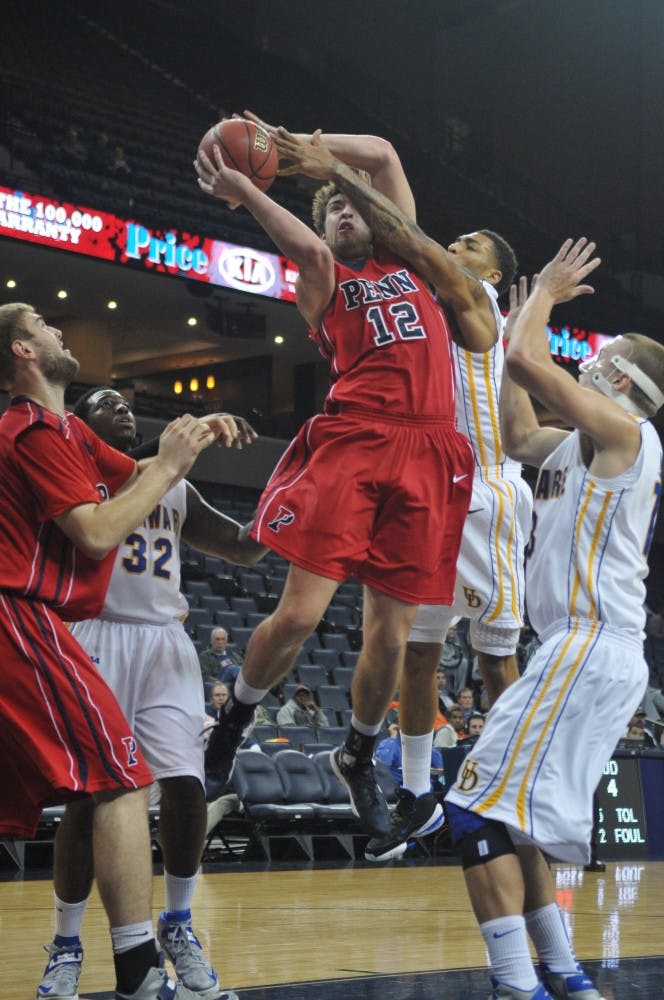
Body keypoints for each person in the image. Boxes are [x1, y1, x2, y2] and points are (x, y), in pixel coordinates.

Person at [196, 118, 496, 838]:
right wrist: (248, 185)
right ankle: (236, 717)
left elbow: (386, 154)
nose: (344, 212)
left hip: (431, 451)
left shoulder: (410, 258)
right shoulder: (327, 277)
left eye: (353, 204)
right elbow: (303, 244)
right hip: (355, 440)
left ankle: (357, 753)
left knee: (390, 638)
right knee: (300, 616)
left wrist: (302, 146)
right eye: (332, 208)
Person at [445, 238, 664, 999]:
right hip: (587, 652)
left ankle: (518, 984)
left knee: (470, 808)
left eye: (602, 357)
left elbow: (525, 364)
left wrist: (541, 298)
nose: (591, 361)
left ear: (619, 378)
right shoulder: (583, 444)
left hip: (588, 646)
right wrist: (513, 328)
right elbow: (514, 435)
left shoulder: (626, 434)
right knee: (512, 820)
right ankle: (566, 977)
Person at [0, 304, 230, 1000]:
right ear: (23, 351)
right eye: (43, 325)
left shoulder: (69, 433)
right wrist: (173, 466)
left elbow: (141, 472)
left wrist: (197, 438)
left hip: (59, 623)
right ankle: (127, 969)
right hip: (25, 615)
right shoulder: (31, 432)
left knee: (122, 782)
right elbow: (99, 533)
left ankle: (142, 961)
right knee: (115, 783)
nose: (58, 329)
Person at [34, 384, 264, 1000]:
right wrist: (184, 441)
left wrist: (303, 494)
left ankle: (179, 923)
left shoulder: (174, 484)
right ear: (79, 424)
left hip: (164, 641)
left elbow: (245, 547)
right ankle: (65, 944)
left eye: (127, 404)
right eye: (106, 403)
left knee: (187, 788)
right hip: (94, 635)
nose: (123, 410)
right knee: (91, 802)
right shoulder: (73, 475)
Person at [339, 193, 528, 863]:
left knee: (496, 657)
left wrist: (340, 168)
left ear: (493, 275)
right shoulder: (426, 299)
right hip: (435, 485)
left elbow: (408, 237)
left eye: (471, 243)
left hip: (488, 490)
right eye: (455, 241)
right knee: (419, 652)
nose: (455, 246)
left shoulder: (475, 296)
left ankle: (521, 787)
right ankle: (417, 794)